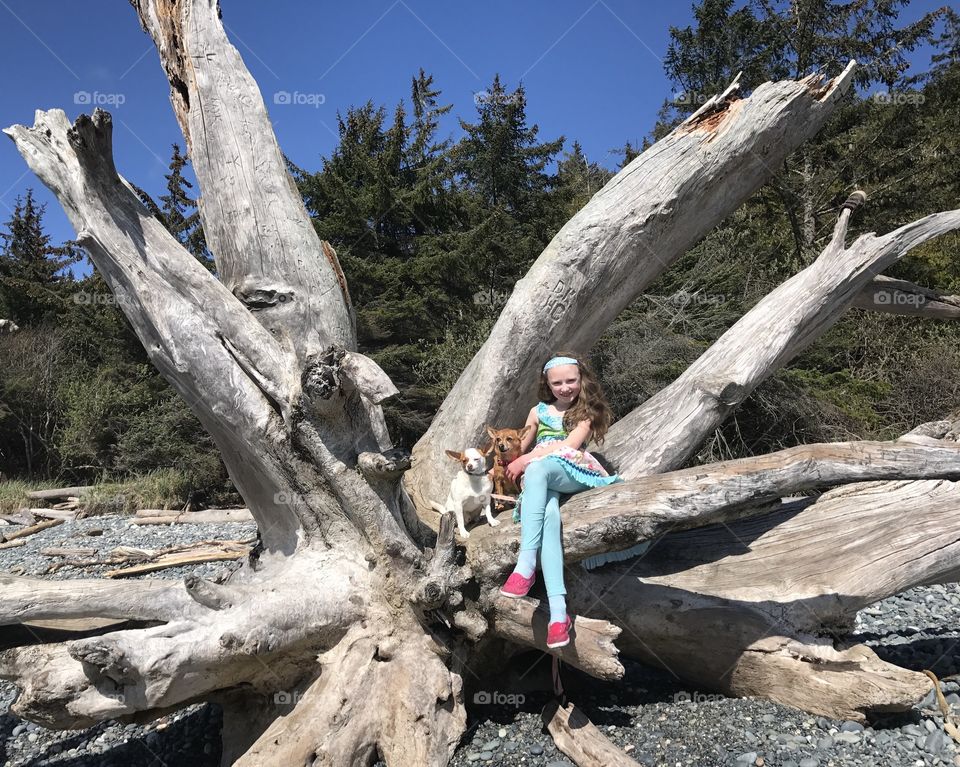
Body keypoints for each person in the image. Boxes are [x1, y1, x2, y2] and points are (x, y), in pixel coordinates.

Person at [498, 353, 620, 649]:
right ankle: (558, 615)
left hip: (572, 468)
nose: (565, 388)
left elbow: (568, 446)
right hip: (541, 479)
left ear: (581, 380)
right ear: (547, 384)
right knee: (549, 516)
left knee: (538, 467)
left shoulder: (585, 412)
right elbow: (517, 448)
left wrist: (527, 459)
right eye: (558, 383)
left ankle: (525, 564)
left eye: (571, 381)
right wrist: (498, 461)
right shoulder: (537, 411)